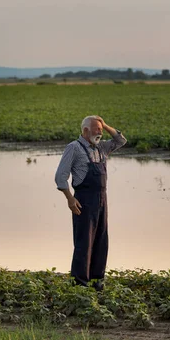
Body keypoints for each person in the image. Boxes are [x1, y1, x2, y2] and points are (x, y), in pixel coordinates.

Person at [54, 115, 127, 291]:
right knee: (84, 242)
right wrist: (70, 199)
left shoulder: (102, 147)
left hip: (102, 199)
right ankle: (79, 284)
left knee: (101, 240)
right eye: (97, 129)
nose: (100, 133)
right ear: (86, 130)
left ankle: (96, 281)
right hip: (83, 200)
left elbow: (121, 140)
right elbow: (60, 176)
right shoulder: (74, 148)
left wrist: (105, 124)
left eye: (101, 130)